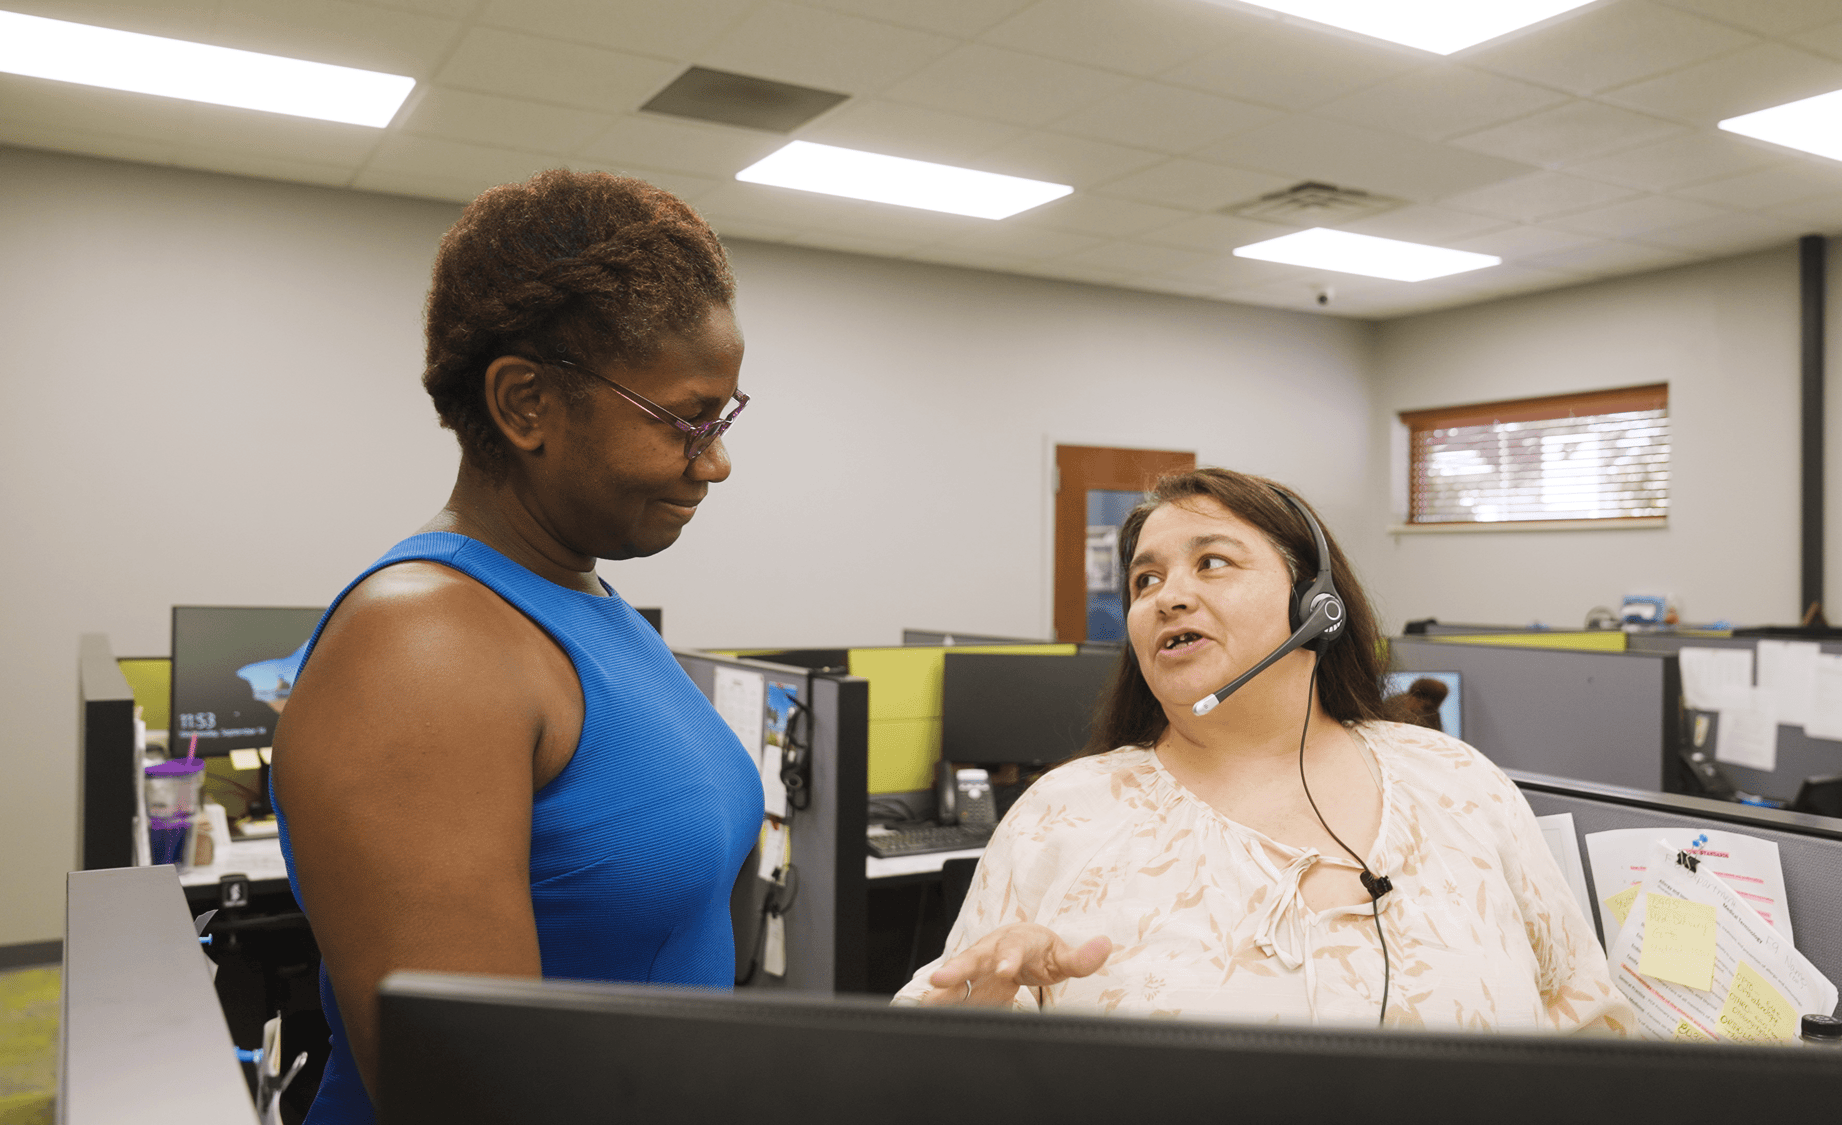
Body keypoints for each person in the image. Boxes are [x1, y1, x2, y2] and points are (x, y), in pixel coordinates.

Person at [271, 170, 761, 1123]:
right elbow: (474, 1096)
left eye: (727, 416)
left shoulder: (588, 600)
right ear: (525, 402)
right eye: (688, 419)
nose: (716, 459)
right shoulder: (421, 648)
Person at [897, 468, 1632, 1034]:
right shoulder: (1060, 817)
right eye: (1145, 579)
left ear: (1317, 604)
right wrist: (969, 1026)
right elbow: (923, 1052)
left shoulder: (1458, 782)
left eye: (1211, 562)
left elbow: (1591, 1023)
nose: (1167, 596)